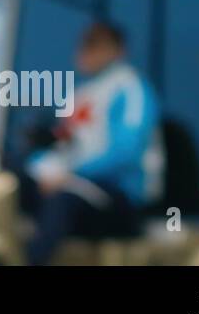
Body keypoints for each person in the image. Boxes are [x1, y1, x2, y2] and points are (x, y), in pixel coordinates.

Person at [18, 22, 164, 265]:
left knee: (61, 202)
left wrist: (69, 174)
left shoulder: (132, 89)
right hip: (74, 184)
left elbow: (126, 152)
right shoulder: (81, 94)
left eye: (97, 46)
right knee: (12, 181)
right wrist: (40, 170)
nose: (87, 52)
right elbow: (62, 145)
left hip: (118, 194)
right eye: (86, 45)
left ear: (118, 50)